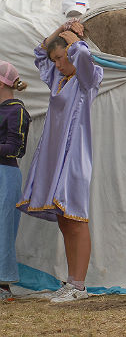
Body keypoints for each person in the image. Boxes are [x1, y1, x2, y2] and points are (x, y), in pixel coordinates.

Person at [17, 21, 103, 302]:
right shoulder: (58, 79)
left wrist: (74, 37)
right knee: (65, 220)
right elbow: (39, 53)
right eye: (54, 60)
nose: (56, 64)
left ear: (72, 53)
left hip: (75, 155)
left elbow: (84, 56)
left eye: (60, 58)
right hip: (55, 155)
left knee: (76, 217)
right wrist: (59, 31)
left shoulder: (87, 79)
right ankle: (72, 282)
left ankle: (79, 286)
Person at [0, 61, 30, 301]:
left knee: (3, 228)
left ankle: (3, 286)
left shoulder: (17, 111)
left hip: (5, 175)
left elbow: (16, 149)